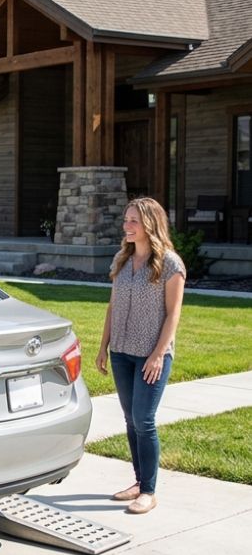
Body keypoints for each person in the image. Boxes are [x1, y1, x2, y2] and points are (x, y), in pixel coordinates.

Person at [95, 197, 185, 515]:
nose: (126, 226)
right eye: (126, 220)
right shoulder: (122, 258)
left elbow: (173, 314)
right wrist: (103, 347)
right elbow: (112, 305)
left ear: (150, 224)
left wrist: (159, 354)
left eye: (133, 220)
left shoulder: (170, 264)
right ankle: (138, 481)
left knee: (144, 421)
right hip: (121, 352)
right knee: (131, 421)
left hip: (151, 355)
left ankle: (148, 491)